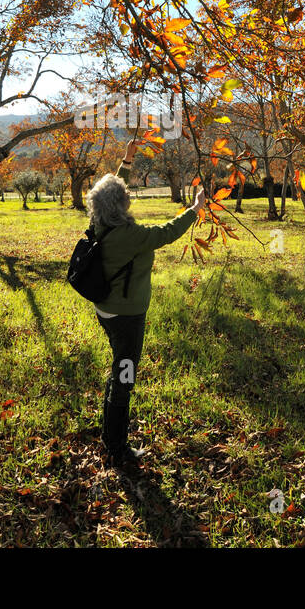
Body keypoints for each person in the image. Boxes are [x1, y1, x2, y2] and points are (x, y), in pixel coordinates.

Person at [85, 161, 204, 471]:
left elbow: (110, 192)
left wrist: (126, 160)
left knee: (118, 367)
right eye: (125, 195)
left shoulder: (100, 223)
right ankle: (116, 447)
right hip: (127, 316)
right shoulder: (130, 234)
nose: (128, 196)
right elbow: (166, 232)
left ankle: (109, 432)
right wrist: (194, 209)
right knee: (125, 375)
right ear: (119, 204)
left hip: (106, 310)